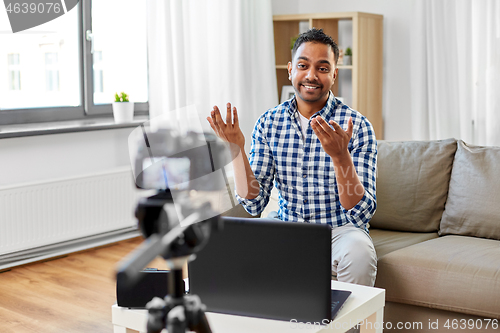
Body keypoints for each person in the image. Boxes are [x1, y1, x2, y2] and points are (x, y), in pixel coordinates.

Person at [207, 28, 377, 287]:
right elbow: (254, 203)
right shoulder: (268, 122)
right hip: (287, 226)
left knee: (360, 255)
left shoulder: (357, 126)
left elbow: (360, 212)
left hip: (340, 231)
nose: (311, 75)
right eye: (303, 65)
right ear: (290, 70)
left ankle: (349, 328)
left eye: (322, 68)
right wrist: (236, 149)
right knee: (229, 252)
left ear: (334, 74)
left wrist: (341, 158)